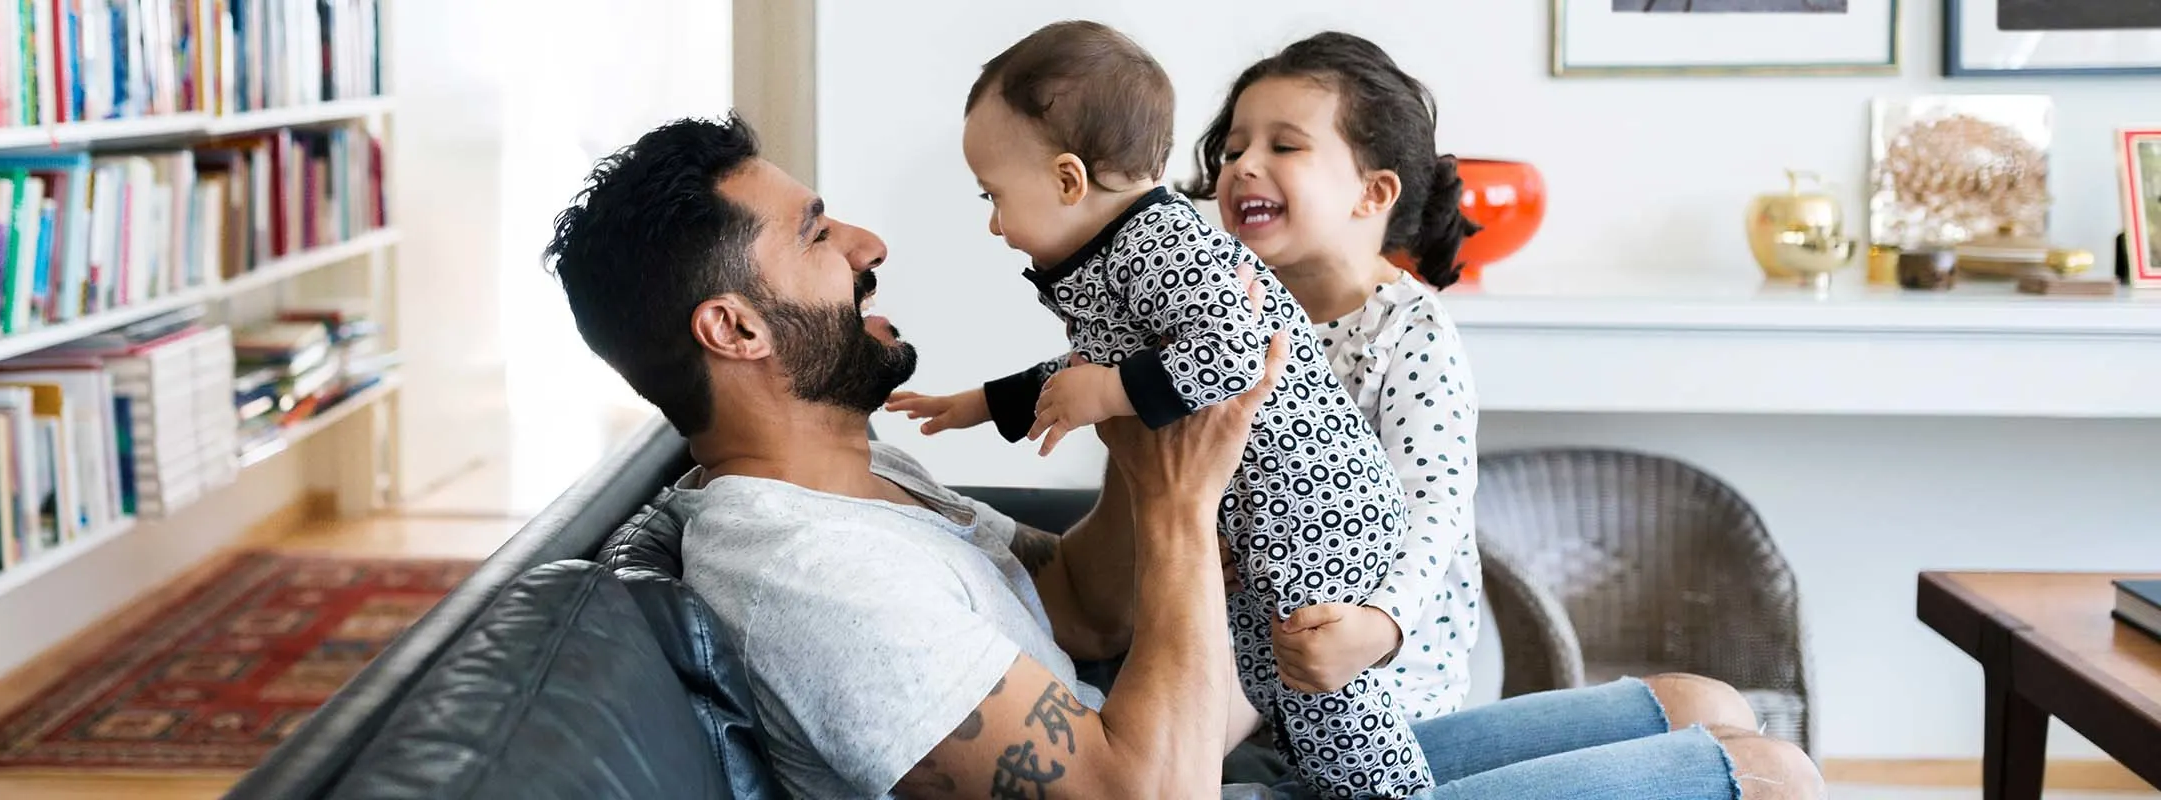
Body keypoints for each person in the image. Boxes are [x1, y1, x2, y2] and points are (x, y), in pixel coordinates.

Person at [543, 113, 1824, 799]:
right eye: (818, 233)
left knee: (1708, 701)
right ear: (735, 327)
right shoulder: (805, 569)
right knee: (1765, 779)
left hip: (1224, 755)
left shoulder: (867, 480)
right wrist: (1183, 508)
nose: (869, 240)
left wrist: (1151, 428)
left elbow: (1077, 602)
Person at [880, 21, 1421, 798]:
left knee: (1324, 689)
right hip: (1261, 514)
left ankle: (1391, 791)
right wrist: (978, 404)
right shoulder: (1109, 253)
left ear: (1069, 180)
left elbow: (1232, 348)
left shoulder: (1160, 242)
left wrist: (1105, 392)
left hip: (1315, 502)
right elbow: (1089, 364)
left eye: (994, 197)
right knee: (1272, 676)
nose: (994, 223)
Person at [1181, 30, 1486, 723]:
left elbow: (1434, 507)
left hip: (1384, 694)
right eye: (1233, 150)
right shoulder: (1225, 316)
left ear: (1372, 193)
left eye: (1283, 146)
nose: (1243, 165)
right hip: (1242, 661)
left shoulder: (1407, 332)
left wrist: (1379, 625)